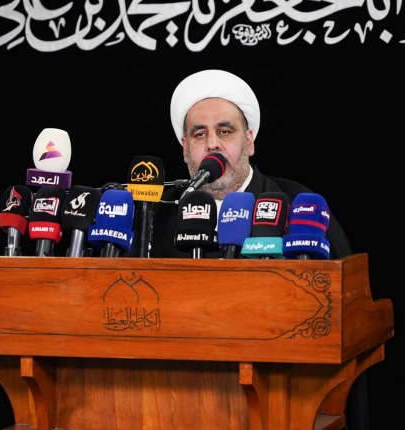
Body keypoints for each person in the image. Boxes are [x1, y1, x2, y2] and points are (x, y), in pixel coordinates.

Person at [149, 69, 370, 430]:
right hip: (171, 402)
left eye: (225, 131)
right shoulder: (159, 214)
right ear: (185, 148)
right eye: (200, 134)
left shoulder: (298, 203)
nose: (212, 145)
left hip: (280, 400)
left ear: (249, 141)